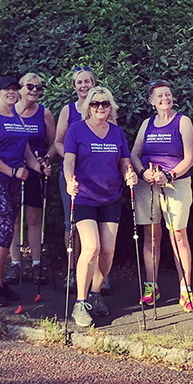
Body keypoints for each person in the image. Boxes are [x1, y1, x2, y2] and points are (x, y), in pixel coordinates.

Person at [63, 85, 137, 328]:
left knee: (107, 252)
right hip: (84, 196)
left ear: (110, 106)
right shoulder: (77, 129)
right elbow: (68, 160)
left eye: (105, 103)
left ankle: (95, 294)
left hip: (111, 197)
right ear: (88, 107)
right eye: (95, 104)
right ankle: (80, 303)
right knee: (91, 246)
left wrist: (130, 175)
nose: (100, 108)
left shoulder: (116, 133)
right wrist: (68, 180)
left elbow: (125, 161)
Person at [0, 75, 51, 307]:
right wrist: (12, 172)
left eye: (13, 89)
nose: (11, 93)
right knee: (5, 228)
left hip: (13, 180)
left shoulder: (18, 119)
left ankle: (1, 284)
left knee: (8, 230)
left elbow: (27, 153)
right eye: (6, 90)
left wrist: (41, 168)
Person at [130, 79, 193, 312]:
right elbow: (134, 155)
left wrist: (169, 176)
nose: (164, 99)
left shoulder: (183, 121)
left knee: (178, 235)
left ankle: (186, 289)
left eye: (168, 95)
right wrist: (142, 172)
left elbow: (189, 157)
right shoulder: (147, 124)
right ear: (151, 101)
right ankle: (152, 286)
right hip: (147, 184)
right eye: (159, 96)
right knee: (151, 234)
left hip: (175, 183)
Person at [55, 66, 112, 293]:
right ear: (74, 86)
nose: (83, 85)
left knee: (101, 230)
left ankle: (101, 276)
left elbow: (113, 142)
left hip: (99, 178)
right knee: (72, 225)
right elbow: (58, 141)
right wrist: (72, 157)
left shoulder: (103, 107)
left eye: (87, 81)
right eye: (79, 82)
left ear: (93, 83)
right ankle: (72, 271)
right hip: (73, 177)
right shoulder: (68, 110)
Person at [9, 72, 56, 285]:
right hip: (12, 170)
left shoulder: (44, 114)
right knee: (14, 219)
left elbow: (55, 143)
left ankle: (37, 265)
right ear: (20, 88)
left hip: (35, 170)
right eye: (30, 86)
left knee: (34, 219)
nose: (35, 91)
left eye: (39, 87)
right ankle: (15, 264)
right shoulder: (8, 112)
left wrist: (46, 160)